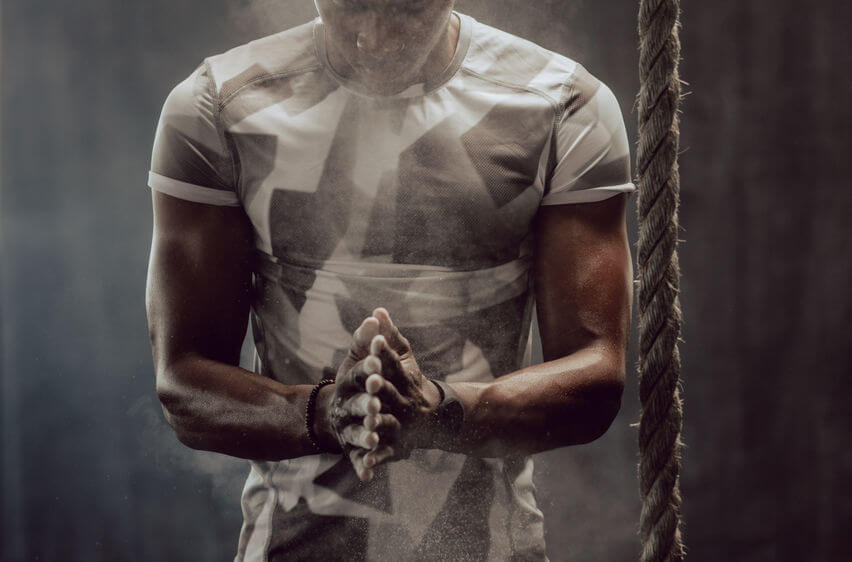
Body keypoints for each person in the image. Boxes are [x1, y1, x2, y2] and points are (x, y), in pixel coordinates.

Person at [145, 0, 635, 559]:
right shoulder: (216, 106)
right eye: (352, 6)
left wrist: (438, 411)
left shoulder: (561, 105)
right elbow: (183, 386)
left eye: (406, 8)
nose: (374, 36)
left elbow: (596, 376)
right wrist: (329, 414)